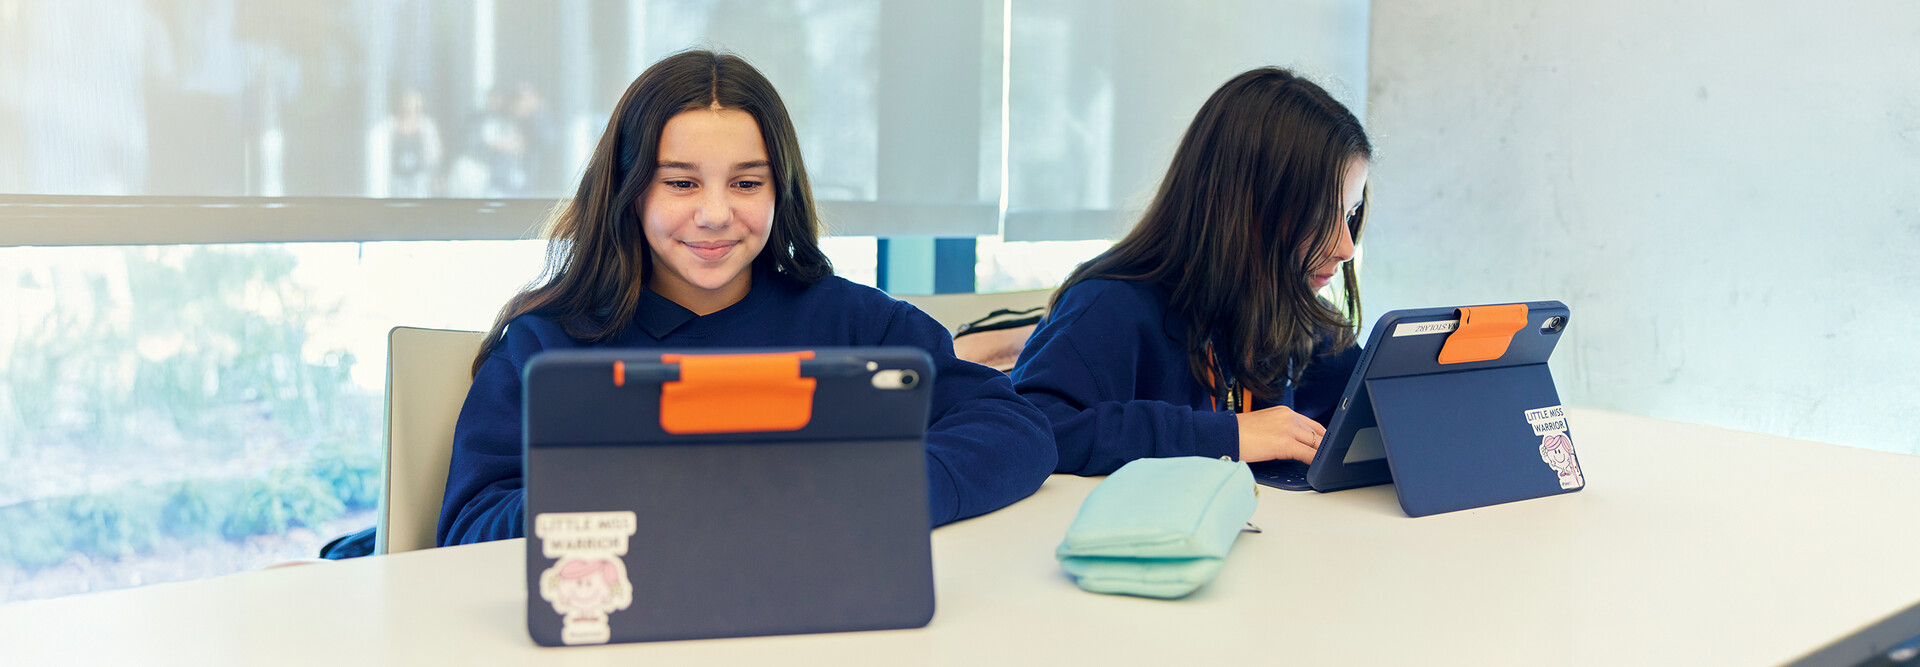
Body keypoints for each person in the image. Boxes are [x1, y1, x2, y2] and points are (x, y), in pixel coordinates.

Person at [437, 50, 1056, 546]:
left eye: (746, 183)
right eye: (681, 183)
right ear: (629, 191)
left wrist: (879, 489)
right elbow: (472, 524)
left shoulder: (859, 324)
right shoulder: (546, 344)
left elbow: (1015, 427)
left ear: (779, 190)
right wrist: (624, 494)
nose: (715, 214)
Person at [1009, 68, 1371, 476]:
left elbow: (1372, 415)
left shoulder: (1297, 317)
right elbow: (1028, 430)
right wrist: (1227, 437)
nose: (1346, 248)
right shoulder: (1109, 306)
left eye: (1350, 214)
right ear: (1243, 204)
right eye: (1322, 214)